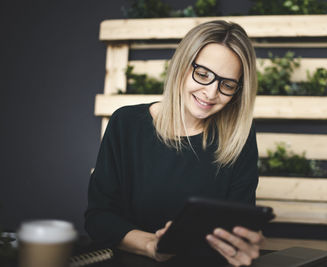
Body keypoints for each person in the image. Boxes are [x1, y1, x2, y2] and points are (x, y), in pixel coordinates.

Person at [85, 20, 263, 266]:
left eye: (227, 85)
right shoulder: (126, 123)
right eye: (202, 74)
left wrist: (242, 242)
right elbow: (99, 217)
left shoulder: (239, 137)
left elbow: (237, 227)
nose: (211, 93)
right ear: (181, 66)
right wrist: (152, 245)